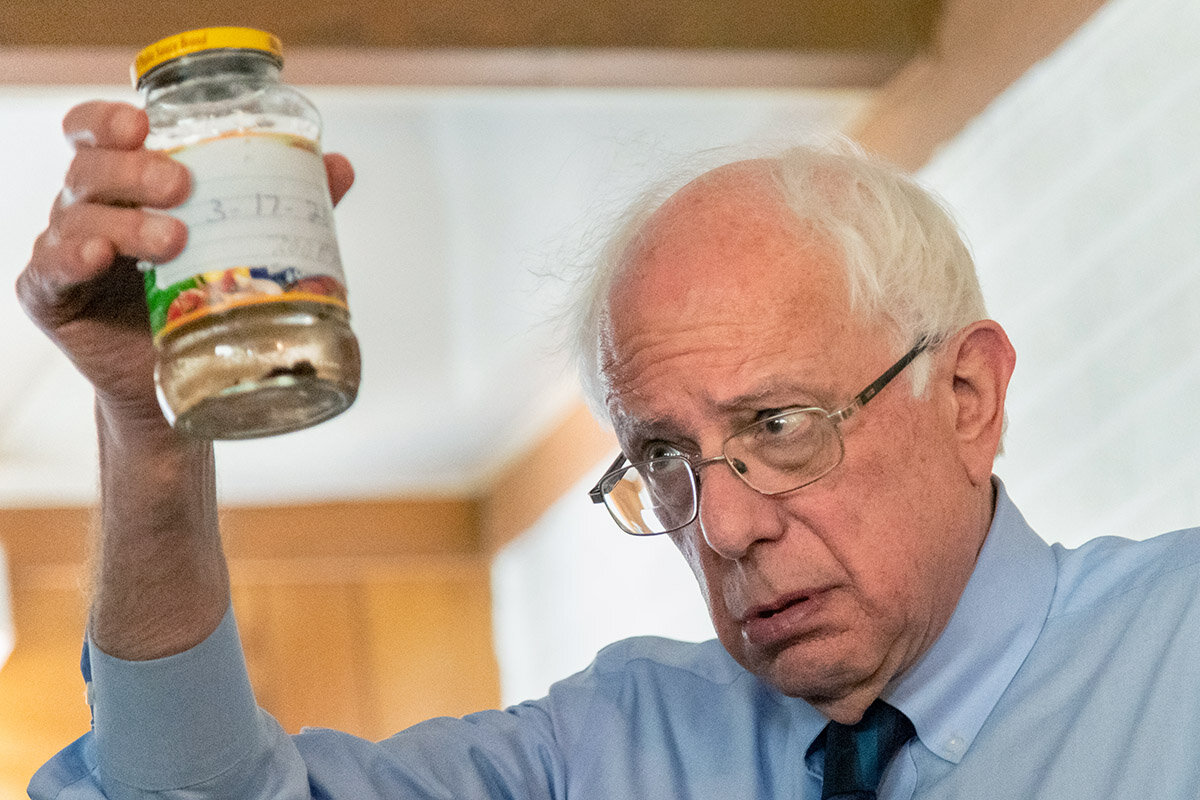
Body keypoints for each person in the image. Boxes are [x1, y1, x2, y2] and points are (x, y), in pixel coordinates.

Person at [18, 100, 1200, 800]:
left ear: (967, 395)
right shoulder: (610, 748)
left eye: (779, 427)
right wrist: (152, 428)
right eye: (667, 460)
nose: (725, 526)